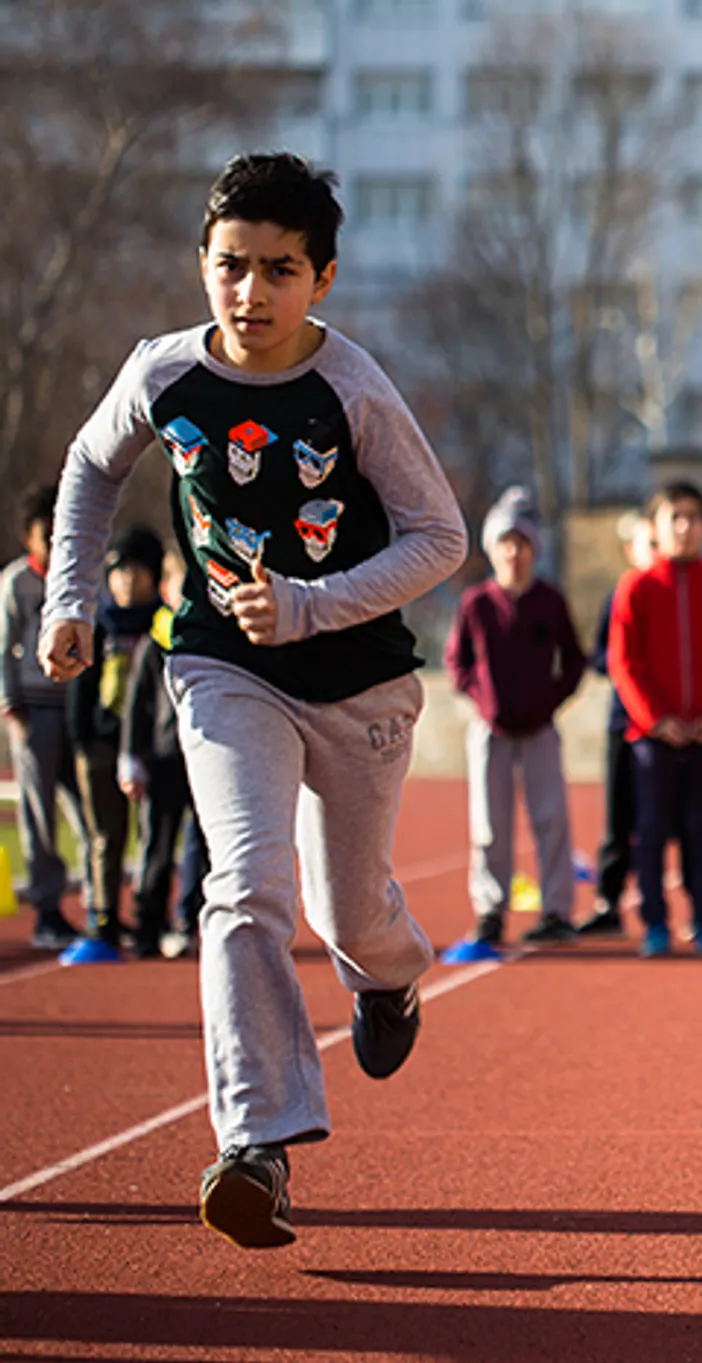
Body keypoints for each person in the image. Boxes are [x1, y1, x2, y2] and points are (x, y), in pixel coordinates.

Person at [37, 152, 467, 1248]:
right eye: (232, 266)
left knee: (347, 911)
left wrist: (313, 603)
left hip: (360, 679)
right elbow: (90, 467)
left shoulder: (354, 389)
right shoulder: (162, 372)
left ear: (321, 279)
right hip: (223, 666)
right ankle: (256, 1143)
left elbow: (440, 537)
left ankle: (388, 976)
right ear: (202, 263)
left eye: (280, 270)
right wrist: (68, 599)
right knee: (242, 887)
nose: (251, 292)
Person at [608, 479, 702, 959]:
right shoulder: (636, 588)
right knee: (651, 831)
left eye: (693, 518)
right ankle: (654, 923)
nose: (685, 527)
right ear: (655, 527)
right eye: (675, 518)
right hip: (653, 737)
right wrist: (655, 720)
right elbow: (624, 662)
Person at [445, 487, 587, 952]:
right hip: (491, 730)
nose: (513, 552)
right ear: (492, 548)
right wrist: (481, 700)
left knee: (551, 817)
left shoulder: (550, 601)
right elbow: (457, 662)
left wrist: (551, 700)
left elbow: (574, 659)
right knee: (489, 823)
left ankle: (557, 910)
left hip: (540, 728)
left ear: (534, 549)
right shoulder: (476, 604)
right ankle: (491, 909)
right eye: (506, 542)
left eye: (522, 543)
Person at [62, 525, 166, 962]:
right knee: (105, 834)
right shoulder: (98, 622)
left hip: (150, 745)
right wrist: (81, 738)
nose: (127, 581)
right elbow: (80, 685)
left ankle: (149, 914)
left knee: (152, 833)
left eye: (137, 572)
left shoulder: (163, 624)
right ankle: (103, 913)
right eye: (120, 572)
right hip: (101, 742)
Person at [2, 483, 87, 951]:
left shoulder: (80, 580)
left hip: (75, 708)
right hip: (34, 709)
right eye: (46, 537)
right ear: (28, 538)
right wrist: (11, 707)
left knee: (89, 807)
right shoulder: (17, 583)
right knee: (38, 811)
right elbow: (2, 649)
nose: (55, 547)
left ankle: (99, 901)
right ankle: (47, 909)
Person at [120, 549, 211, 960]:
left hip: (207, 754)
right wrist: (130, 757)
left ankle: (188, 921)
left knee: (202, 843)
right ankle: (148, 923)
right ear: (164, 589)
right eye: (180, 583)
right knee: (156, 842)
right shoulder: (154, 644)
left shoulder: (215, 641)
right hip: (164, 757)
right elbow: (137, 705)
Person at [577, 510, 655, 939]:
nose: (656, 552)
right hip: (624, 721)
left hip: (666, 726)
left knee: (664, 820)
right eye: (648, 544)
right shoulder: (620, 596)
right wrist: (628, 664)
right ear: (631, 551)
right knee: (618, 818)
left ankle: (666, 903)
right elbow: (600, 657)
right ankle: (609, 901)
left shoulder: (675, 597)